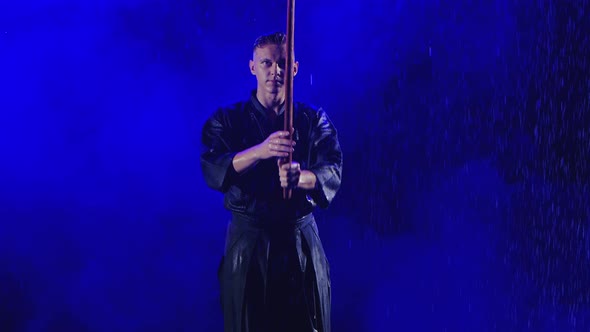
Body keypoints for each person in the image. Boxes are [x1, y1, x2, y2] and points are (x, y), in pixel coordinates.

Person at [200, 32, 343, 332]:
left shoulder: (314, 119)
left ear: (294, 68)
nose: (275, 71)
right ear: (253, 67)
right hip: (248, 245)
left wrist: (301, 177)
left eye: (283, 63)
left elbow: (331, 169)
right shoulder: (226, 120)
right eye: (267, 62)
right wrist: (260, 151)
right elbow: (213, 166)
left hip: (299, 243)